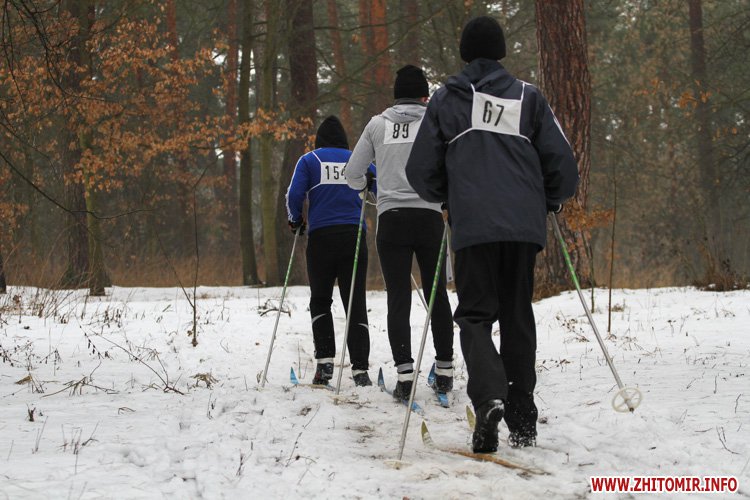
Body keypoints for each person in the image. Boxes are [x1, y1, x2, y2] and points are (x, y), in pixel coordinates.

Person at [405, 17, 579, 452]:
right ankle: (522, 418)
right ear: (501, 51)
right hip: (522, 226)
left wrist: (448, 196)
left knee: (475, 315)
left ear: (465, 53)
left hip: (473, 224)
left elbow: (419, 169)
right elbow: (563, 162)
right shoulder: (528, 97)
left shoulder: (446, 100)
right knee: (517, 313)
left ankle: (488, 399)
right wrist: (551, 198)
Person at [345, 65, 455, 401]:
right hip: (429, 216)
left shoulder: (377, 124)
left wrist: (369, 189)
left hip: (391, 218)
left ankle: (405, 375)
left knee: (398, 297)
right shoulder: (435, 121)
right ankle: (445, 371)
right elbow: (453, 163)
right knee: (437, 294)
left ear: (395, 96)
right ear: (425, 96)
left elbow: (352, 173)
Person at [285, 115, 376, 387]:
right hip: (353, 237)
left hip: (321, 238)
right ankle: (360, 370)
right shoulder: (357, 160)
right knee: (355, 302)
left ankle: (324, 364)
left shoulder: (309, 160)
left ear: (319, 140)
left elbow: (294, 194)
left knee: (321, 299)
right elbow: (381, 185)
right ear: (345, 141)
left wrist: (295, 220)